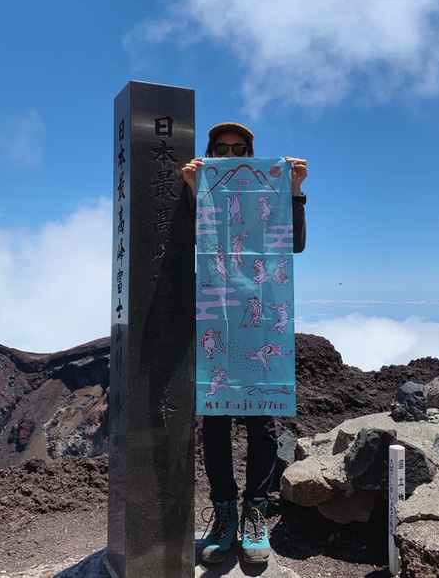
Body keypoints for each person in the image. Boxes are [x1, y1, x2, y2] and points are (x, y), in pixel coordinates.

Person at [182, 122, 307, 565]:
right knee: (214, 419)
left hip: (261, 314)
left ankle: (255, 513)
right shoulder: (198, 186)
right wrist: (196, 191)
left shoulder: (264, 193)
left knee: (261, 420)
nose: (231, 154)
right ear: (211, 153)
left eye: (240, 149)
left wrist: (293, 191)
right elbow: (181, 246)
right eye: (222, 149)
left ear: (251, 152)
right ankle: (224, 513)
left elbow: (295, 244)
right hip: (214, 314)